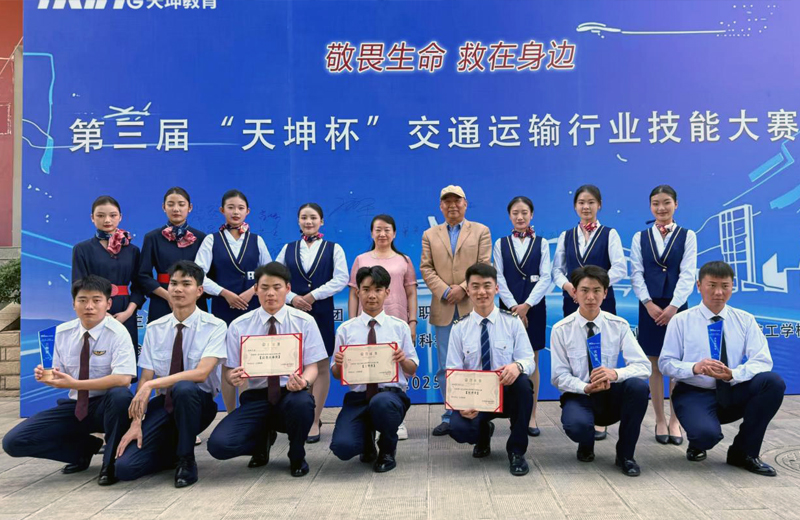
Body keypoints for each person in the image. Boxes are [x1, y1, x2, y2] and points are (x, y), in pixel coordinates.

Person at [3, 275, 136, 486]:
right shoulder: (61, 333)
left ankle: (109, 464)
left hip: (107, 407)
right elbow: (57, 373)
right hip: (75, 406)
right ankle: (82, 450)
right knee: (14, 442)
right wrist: (45, 374)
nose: (89, 306)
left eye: (96, 300)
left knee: (120, 396)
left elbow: (123, 379)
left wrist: (73, 384)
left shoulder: (118, 333)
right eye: (82, 300)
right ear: (73, 304)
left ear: (108, 304)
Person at [659, 261, 785, 476]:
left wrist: (733, 374)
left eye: (725, 286)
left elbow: (763, 360)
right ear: (699, 286)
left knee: (772, 383)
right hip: (694, 392)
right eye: (712, 285)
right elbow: (665, 363)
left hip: (732, 389)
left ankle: (743, 452)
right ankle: (698, 442)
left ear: (732, 287)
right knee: (706, 435)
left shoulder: (744, 320)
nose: (718, 292)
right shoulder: (681, 320)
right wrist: (695, 367)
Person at [206, 262, 327, 477]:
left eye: (277, 287)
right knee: (219, 446)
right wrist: (232, 377)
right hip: (256, 398)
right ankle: (260, 442)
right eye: (264, 287)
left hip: (290, 394)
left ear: (288, 289)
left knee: (303, 403)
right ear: (255, 289)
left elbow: (312, 367)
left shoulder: (305, 322)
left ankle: (296, 454)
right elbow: (229, 371)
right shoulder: (240, 325)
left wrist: (304, 382)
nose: (270, 293)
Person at [115, 261, 226, 488]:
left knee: (184, 387)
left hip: (198, 404)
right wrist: (136, 422)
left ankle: (187, 460)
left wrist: (152, 385)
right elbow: (145, 378)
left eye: (186, 284)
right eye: (173, 284)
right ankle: (171, 453)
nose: (178, 289)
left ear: (199, 291)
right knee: (125, 468)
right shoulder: (155, 328)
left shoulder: (215, 326)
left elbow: (201, 373)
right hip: (164, 405)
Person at [550, 266, 651, 477]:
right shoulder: (561, 329)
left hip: (610, 395)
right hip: (580, 395)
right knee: (577, 427)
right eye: (584, 290)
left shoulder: (618, 325)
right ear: (574, 293)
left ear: (605, 293)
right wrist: (585, 387)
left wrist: (615, 374)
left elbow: (644, 366)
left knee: (638, 387)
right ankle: (586, 442)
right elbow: (559, 376)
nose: (590, 297)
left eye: (597, 290)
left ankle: (625, 455)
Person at [551, 184, 627, 441]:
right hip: (573, 299)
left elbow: (620, 267)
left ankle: (601, 414)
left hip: (601, 301)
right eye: (582, 202)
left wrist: (597, 287)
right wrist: (569, 287)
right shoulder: (566, 235)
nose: (586, 206)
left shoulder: (610, 234)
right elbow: (557, 269)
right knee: (576, 352)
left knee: (602, 353)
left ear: (599, 205)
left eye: (591, 202)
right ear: (575, 206)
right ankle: (578, 403)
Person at [446, 263, 534, 476]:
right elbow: (453, 371)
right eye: (475, 286)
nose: (481, 292)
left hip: (507, 392)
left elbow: (528, 359)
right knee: (458, 429)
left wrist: (517, 366)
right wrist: (461, 405)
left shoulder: (512, 322)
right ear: (468, 291)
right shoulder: (459, 328)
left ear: (496, 289)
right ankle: (482, 433)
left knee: (524, 384)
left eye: (487, 286)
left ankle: (516, 452)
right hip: (475, 397)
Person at [330, 266, 418, 473]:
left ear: (387, 292)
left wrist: (402, 359)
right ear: (358, 292)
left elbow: (412, 367)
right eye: (366, 289)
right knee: (343, 447)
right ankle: (366, 442)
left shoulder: (399, 327)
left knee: (382, 403)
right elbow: (335, 373)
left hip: (390, 396)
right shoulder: (345, 330)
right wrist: (339, 364)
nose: (372, 295)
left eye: (378, 290)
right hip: (358, 398)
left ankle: (387, 450)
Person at [420, 185, 492, 437]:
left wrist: (463, 288)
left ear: (465, 203)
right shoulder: (430, 234)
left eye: (457, 201)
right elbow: (426, 268)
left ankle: (481, 412)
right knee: (445, 366)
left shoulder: (481, 231)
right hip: (444, 307)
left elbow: (483, 264)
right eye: (447, 202)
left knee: (477, 362)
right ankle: (450, 414)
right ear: (441, 206)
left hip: (473, 306)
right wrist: (445, 291)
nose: (452, 205)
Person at [275, 203, 348, 443]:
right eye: (304, 217)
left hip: (322, 312)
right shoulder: (287, 248)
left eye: (313, 217)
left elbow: (341, 279)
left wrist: (312, 296)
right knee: (294, 363)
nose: (309, 221)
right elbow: (276, 277)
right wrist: (293, 298)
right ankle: (298, 415)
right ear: (298, 221)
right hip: (292, 314)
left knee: (322, 364)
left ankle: (315, 419)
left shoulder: (333, 248)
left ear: (322, 221)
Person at [630, 185, 697, 446]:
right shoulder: (640, 237)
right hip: (650, 307)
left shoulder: (688, 235)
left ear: (676, 204)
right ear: (650, 207)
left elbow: (688, 274)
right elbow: (636, 273)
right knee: (654, 364)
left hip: (677, 307)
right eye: (656, 203)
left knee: (678, 365)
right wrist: (648, 303)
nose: (661, 208)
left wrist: (674, 307)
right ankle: (659, 418)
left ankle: (675, 420)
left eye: (666, 202)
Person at [195, 189, 272, 413]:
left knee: (252, 360)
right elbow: (199, 275)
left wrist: (252, 291)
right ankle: (230, 413)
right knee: (228, 363)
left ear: (248, 211)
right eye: (231, 207)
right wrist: (224, 293)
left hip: (253, 308)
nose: (235, 212)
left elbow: (268, 273)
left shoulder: (257, 240)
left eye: (240, 208)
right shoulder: (212, 240)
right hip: (223, 308)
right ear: (222, 210)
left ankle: (250, 412)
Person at [348, 214, 418, 440]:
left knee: (397, 367)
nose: (382, 234)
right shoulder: (361, 259)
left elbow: (411, 292)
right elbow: (353, 293)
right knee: (369, 366)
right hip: (366, 323)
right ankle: (367, 417)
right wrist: (352, 322)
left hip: (396, 320)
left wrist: (412, 322)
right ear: (371, 233)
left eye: (387, 229)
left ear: (394, 233)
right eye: (378, 229)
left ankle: (396, 419)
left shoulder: (404, 260)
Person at [493, 196, 551, 437]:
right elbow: (498, 277)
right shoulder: (500, 243)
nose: (520, 217)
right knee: (507, 357)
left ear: (532, 215)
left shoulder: (542, 243)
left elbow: (546, 277)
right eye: (515, 213)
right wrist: (514, 307)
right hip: (507, 309)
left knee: (533, 360)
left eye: (524, 212)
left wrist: (527, 305)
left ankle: (532, 415)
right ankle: (510, 414)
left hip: (534, 308)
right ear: (509, 216)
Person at [72, 195, 144, 356]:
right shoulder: (82, 249)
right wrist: (101, 312)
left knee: (125, 358)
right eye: (100, 215)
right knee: (96, 358)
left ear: (120, 217)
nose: (107, 220)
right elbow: (78, 284)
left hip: (125, 311)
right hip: (94, 309)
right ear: (92, 218)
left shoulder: (132, 250)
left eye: (112, 215)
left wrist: (129, 312)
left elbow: (139, 285)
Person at [138, 187, 207, 324]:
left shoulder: (201, 238)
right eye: (170, 204)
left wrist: (191, 295)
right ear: (164, 207)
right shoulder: (152, 237)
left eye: (181, 204)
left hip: (194, 300)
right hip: (162, 299)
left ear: (190, 207)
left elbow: (209, 275)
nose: (176, 209)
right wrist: (168, 296)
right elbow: (143, 275)